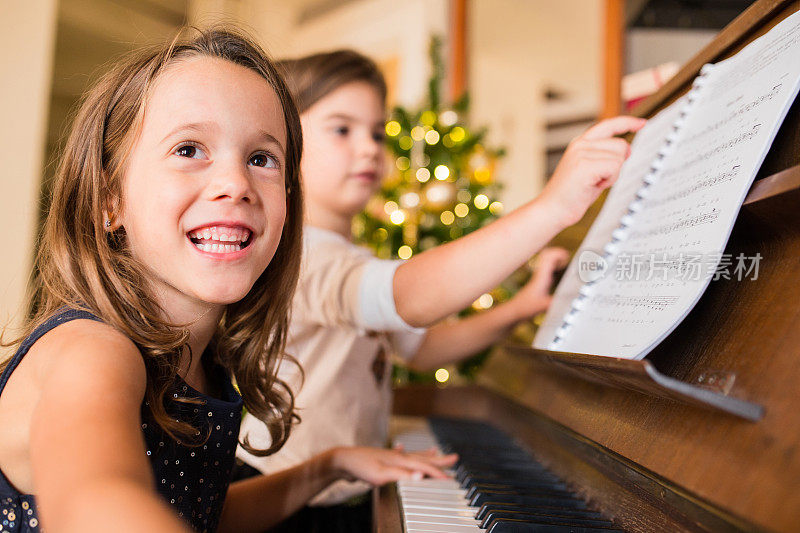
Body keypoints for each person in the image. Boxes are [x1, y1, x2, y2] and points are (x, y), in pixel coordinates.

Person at [0, 31, 456, 533]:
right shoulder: (91, 351)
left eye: (261, 159)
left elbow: (204, 518)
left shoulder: (204, 362)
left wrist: (329, 465)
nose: (236, 184)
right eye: (190, 149)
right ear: (109, 201)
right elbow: (96, 506)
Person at [237, 49, 645, 529]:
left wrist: (517, 309)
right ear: (286, 143)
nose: (369, 148)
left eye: (376, 132)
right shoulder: (299, 255)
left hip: (340, 489)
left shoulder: (350, 253)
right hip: (286, 498)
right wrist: (553, 207)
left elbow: (424, 348)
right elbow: (405, 298)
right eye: (342, 129)